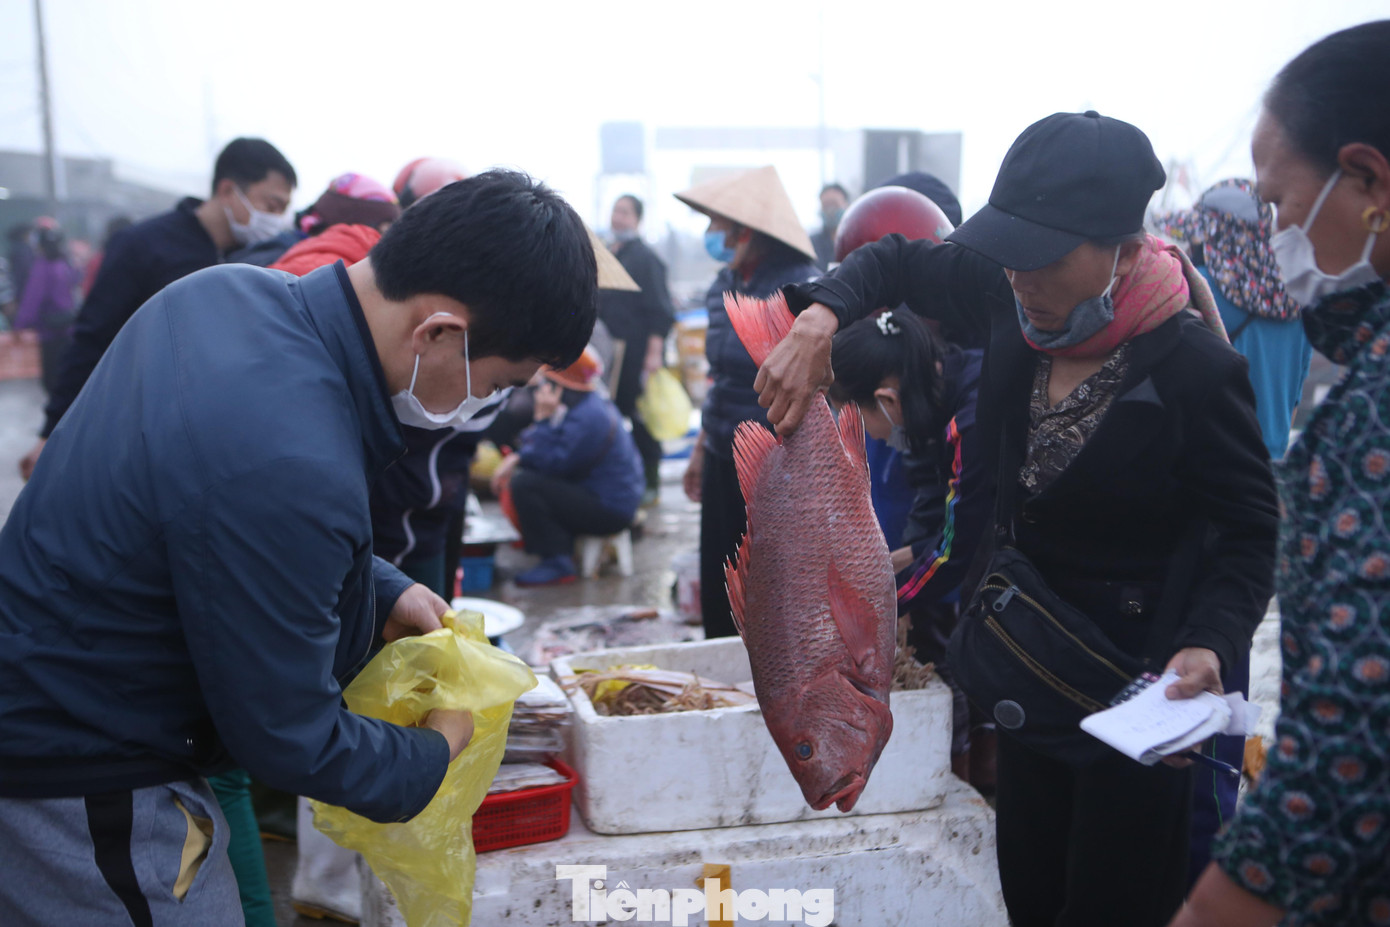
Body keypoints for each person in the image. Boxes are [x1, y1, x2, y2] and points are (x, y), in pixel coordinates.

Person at [0, 170, 597, 925]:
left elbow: (205, 517)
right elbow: (289, 737)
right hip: (83, 770)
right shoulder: (293, 453)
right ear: (439, 332)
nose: (492, 405)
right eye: (501, 381)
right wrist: (435, 751)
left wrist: (381, 587)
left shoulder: (216, 295)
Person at [757, 111, 1279, 927]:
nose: (1020, 277)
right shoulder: (1002, 294)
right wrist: (820, 316)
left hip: (1136, 697)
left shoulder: (1195, 369)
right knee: (1032, 898)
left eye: (1044, 256)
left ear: (1125, 253)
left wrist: (1210, 638)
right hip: (1024, 680)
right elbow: (891, 259)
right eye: (1009, 253)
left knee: (1114, 905)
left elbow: (1250, 529)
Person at [1172, 21, 1390, 927]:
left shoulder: (1372, 409)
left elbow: (1352, 732)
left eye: (1283, 201)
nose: (1277, 233)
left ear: (1369, 180)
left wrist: (1222, 906)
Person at [1151, 176, 1312, 889]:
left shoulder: (1203, 285)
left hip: (1210, 486)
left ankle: (1190, 860)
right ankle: (1217, 832)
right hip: (1270, 476)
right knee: (1231, 671)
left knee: (1193, 667)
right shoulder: (1302, 301)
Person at [18, 137, 297, 481]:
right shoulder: (145, 245)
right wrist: (51, 431)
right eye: (271, 206)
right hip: (138, 440)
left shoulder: (260, 260)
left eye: (283, 210)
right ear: (227, 190)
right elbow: (93, 337)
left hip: (212, 449)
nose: (276, 221)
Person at [828, 307, 990, 782]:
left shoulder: (970, 418)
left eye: (861, 422)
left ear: (886, 401)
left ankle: (964, 772)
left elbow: (957, 546)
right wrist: (910, 552)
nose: (869, 436)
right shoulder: (933, 393)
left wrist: (887, 606)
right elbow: (934, 499)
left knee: (960, 653)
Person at [674, 165, 821, 640]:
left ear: (746, 231)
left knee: (767, 582)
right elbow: (719, 377)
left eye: (718, 225)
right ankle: (720, 663)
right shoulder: (723, 283)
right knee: (721, 566)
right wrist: (701, 447)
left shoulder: (800, 287)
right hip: (722, 448)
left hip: (772, 457)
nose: (711, 234)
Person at [1153, 179, 1312, 461]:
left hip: (1203, 468)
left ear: (1212, 239)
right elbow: (1293, 405)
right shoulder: (1297, 304)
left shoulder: (1189, 291)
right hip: (1269, 471)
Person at [490, 347, 643, 586]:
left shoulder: (588, 418)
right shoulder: (586, 405)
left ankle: (557, 562)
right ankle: (556, 551)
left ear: (558, 385)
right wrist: (521, 455)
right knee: (528, 477)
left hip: (611, 509)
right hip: (605, 496)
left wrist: (541, 421)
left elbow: (550, 464)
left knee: (526, 484)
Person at [600, 194, 676, 504]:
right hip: (608, 355)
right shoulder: (607, 254)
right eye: (615, 211)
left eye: (625, 212)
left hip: (636, 354)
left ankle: (651, 484)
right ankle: (620, 479)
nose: (618, 218)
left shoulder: (646, 258)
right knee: (612, 417)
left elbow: (660, 311)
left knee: (643, 418)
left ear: (638, 219)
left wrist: (653, 355)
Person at [14, 225, 81, 394]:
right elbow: (76, 279)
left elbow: (32, 299)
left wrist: (20, 325)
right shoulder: (63, 263)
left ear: (39, 246)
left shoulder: (41, 267)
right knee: (66, 374)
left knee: (51, 380)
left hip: (49, 331)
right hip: (68, 327)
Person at [810, 182, 851, 270]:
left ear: (846, 205)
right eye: (826, 206)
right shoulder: (812, 244)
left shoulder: (858, 240)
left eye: (834, 204)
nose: (830, 211)